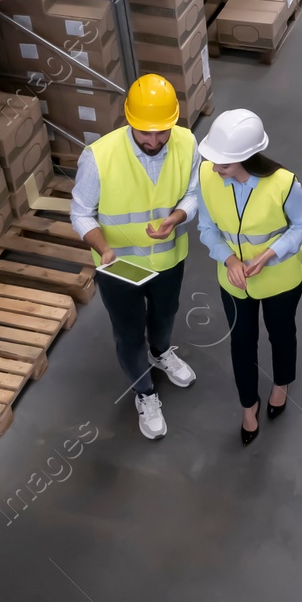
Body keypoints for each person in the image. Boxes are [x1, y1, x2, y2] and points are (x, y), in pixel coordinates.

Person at [72, 75, 200, 440]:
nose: (155, 141)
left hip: (168, 259)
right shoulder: (99, 157)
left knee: (165, 318)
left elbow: (194, 192)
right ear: (129, 119)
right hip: (120, 267)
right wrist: (103, 247)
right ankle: (145, 393)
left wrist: (176, 218)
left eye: (163, 132)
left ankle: (161, 353)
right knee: (129, 334)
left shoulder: (188, 144)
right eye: (146, 133)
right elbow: (80, 212)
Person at [195, 109, 302, 446]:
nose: (217, 169)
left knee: (281, 333)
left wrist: (270, 254)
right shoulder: (206, 175)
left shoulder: (283, 183)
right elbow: (206, 228)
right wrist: (230, 258)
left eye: (225, 165)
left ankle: (281, 384)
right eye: (214, 161)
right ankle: (248, 405)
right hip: (234, 280)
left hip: (280, 277)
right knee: (241, 342)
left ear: (247, 157)